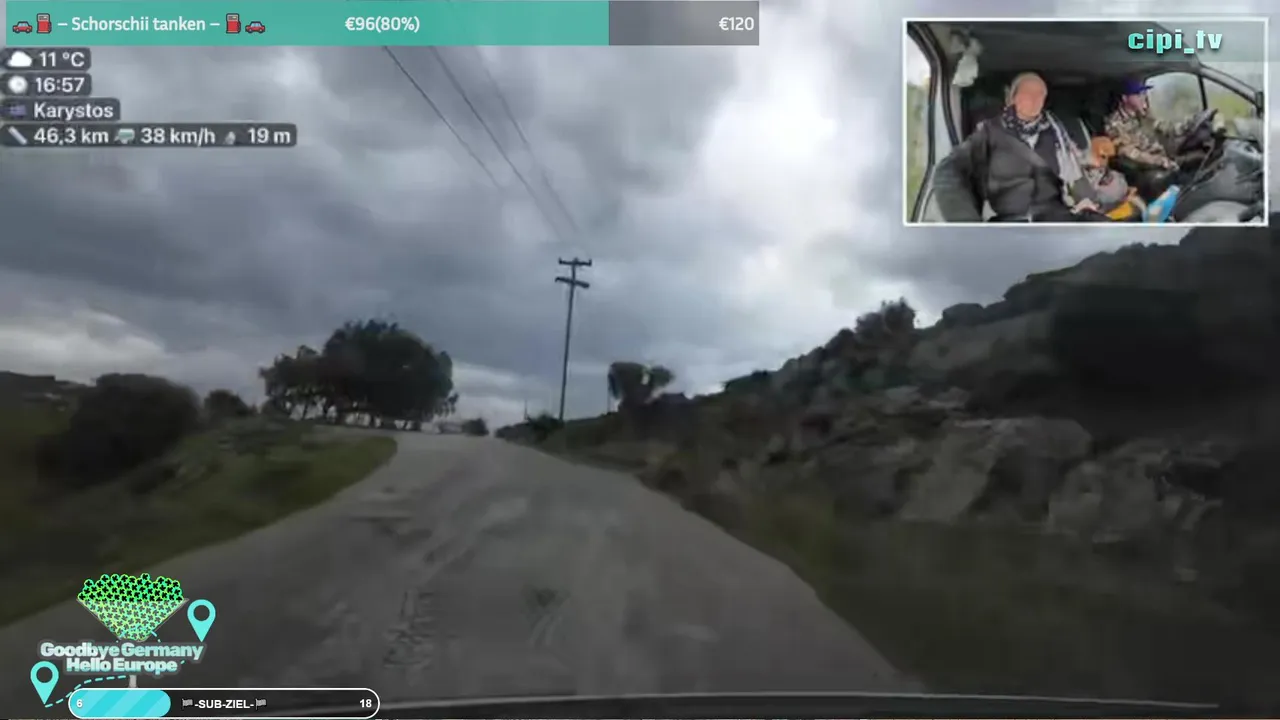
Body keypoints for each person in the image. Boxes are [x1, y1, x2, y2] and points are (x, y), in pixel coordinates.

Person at [932, 72, 1108, 222]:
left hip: (1055, 219)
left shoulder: (1057, 133)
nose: (1034, 99)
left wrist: (1086, 201)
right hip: (1010, 223)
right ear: (1012, 98)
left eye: (1040, 95)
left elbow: (1075, 175)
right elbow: (949, 171)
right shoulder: (989, 132)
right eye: (1027, 93)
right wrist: (967, 224)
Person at [1103, 78, 1202, 171]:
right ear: (1125, 98)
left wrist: (1187, 125)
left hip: (1163, 157)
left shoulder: (1143, 114)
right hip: (1147, 167)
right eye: (1138, 95)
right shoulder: (1114, 123)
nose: (1143, 98)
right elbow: (1128, 153)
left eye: (1144, 94)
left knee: (1199, 156)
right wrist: (1159, 161)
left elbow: (1163, 126)